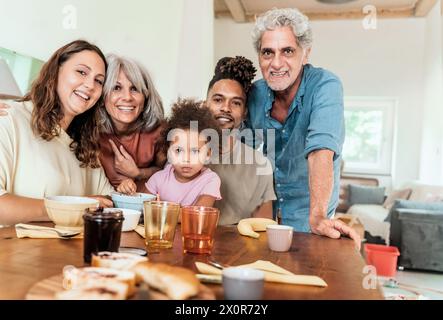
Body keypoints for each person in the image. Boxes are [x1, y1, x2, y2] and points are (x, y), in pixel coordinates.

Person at [246, 8, 360, 245]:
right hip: (265, 212)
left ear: (305, 53)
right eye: (268, 53)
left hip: (309, 216)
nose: (276, 63)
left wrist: (317, 216)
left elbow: (320, 151)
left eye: (287, 51)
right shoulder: (255, 93)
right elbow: (242, 150)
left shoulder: (325, 85)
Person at [0, 40, 114, 225]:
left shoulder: (84, 146)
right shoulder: (9, 117)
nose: (90, 85)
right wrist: (71, 208)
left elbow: (108, 199)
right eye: (81, 72)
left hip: (62, 254)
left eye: (98, 81)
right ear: (56, 70)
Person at [205, 56, 276, 225]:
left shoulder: (260, 165)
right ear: (204, 104)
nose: (225, 108)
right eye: (218, 100)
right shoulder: (183, 154)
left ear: (244, 113)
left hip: (239, 249)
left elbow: (263, 229)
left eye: (236, 103)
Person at [117, 99, 222, 207]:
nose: (186, 159)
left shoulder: (210, 180)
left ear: (208, 154)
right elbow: (141, 208)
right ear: (168, 152)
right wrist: (127, 191)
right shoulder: (158, 179)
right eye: (178, 150)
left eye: (195, 151)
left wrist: (162, 208)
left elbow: (197, 215)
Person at [98, 54, 165, 192]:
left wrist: (138, 173)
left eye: (134, 88)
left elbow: (170, 174)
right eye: (116, 88)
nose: (127, 97)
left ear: (146, 96)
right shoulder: (89, 132)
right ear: (103, 96)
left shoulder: (159, 132)